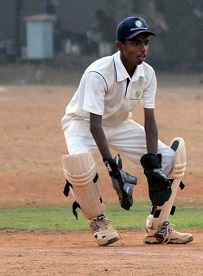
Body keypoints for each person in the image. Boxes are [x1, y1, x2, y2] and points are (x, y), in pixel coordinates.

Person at [61, 16, 193, 246]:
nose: (142, 49)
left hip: (121, 123)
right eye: (135, 43)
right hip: (82, 124)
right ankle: (99, 222)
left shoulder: (148, 73)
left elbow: (149, 119)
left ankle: (158, 227)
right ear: (119, 46)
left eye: (145, 43)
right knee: (79, 164)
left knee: (172, 159)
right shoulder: (98, 73)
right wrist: (112, 169)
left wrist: (152, 165)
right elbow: (95, 125)